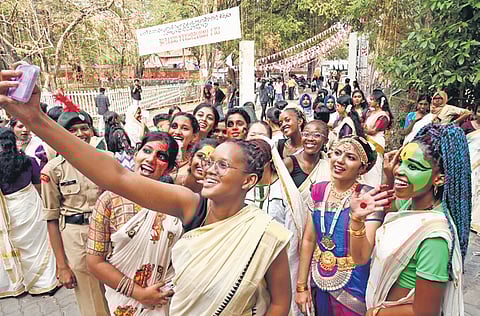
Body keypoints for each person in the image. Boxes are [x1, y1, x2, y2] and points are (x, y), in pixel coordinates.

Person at [0, 70, 293, 315]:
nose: (210, 169)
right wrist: (35, 119)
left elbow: (280, 302)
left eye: (223, 165)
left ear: (249, 180)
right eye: (210, 162)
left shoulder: (266, 234)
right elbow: (117, 177)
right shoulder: (193, 207)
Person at [350, 124, 470, 316]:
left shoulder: (434, 239)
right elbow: (360, 257)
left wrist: (374, 313)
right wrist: (356, 219)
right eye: (402, 162)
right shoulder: (409, 206)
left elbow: (424, 312)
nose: (400, 170)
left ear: (439, 179)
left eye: (413, 166)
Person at [87, 132, 183, 316]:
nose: (151, 159)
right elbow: (94, 262)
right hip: (125, 300)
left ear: (169, 168)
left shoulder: (175, 201)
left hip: (166, 298)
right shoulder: (109, 200)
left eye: (161, 157)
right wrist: (140, 294)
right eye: (146, 151)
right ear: (136, 154)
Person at [295, 135, 387, 316]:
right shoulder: (318, 190)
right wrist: (301, 286)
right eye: (337, 153)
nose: (340, 161)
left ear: (363, 168)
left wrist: (358, 219)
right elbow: (308, 239)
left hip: (355, 282)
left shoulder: (368, 198)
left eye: (350, 157)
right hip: (321, 276)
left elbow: (363, 255)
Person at [41, 109, 110, 316]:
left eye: (84, 128)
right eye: (72, 130)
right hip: (77, 237)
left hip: (109, 231)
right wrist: (62, 266)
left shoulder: (107, 159)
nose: (80, 134)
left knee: (119, 293)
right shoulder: (52, 170)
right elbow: (51, 219)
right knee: (91, 299)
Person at [0, 127, 57, 298]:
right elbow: (38, 185)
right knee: (39, 243)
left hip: (10, 211)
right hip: (30, 205)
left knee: (21, 247)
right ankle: (46, 283)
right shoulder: (29, 160)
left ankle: (24, 283)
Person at [284, 120, 330, 188]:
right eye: (306, 134)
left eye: (316, 135)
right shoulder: (289, 163)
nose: (310, 138)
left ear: (325, 141)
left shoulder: (328, 164)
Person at [362, 89, 394, 187]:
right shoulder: (371, 113)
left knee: (374, 167)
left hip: (376, 142)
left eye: (372, 99)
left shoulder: (383, 116)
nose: (369, 101)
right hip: (368, 141)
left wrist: (361, 128)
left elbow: (373, 131)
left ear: (378, 102)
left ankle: (373, 187)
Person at [168, 112, 200, 181]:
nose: (177, 132)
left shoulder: (193, 166)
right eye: (174, 127)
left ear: (194, 136)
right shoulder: (156, 156)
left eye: (185, 128)